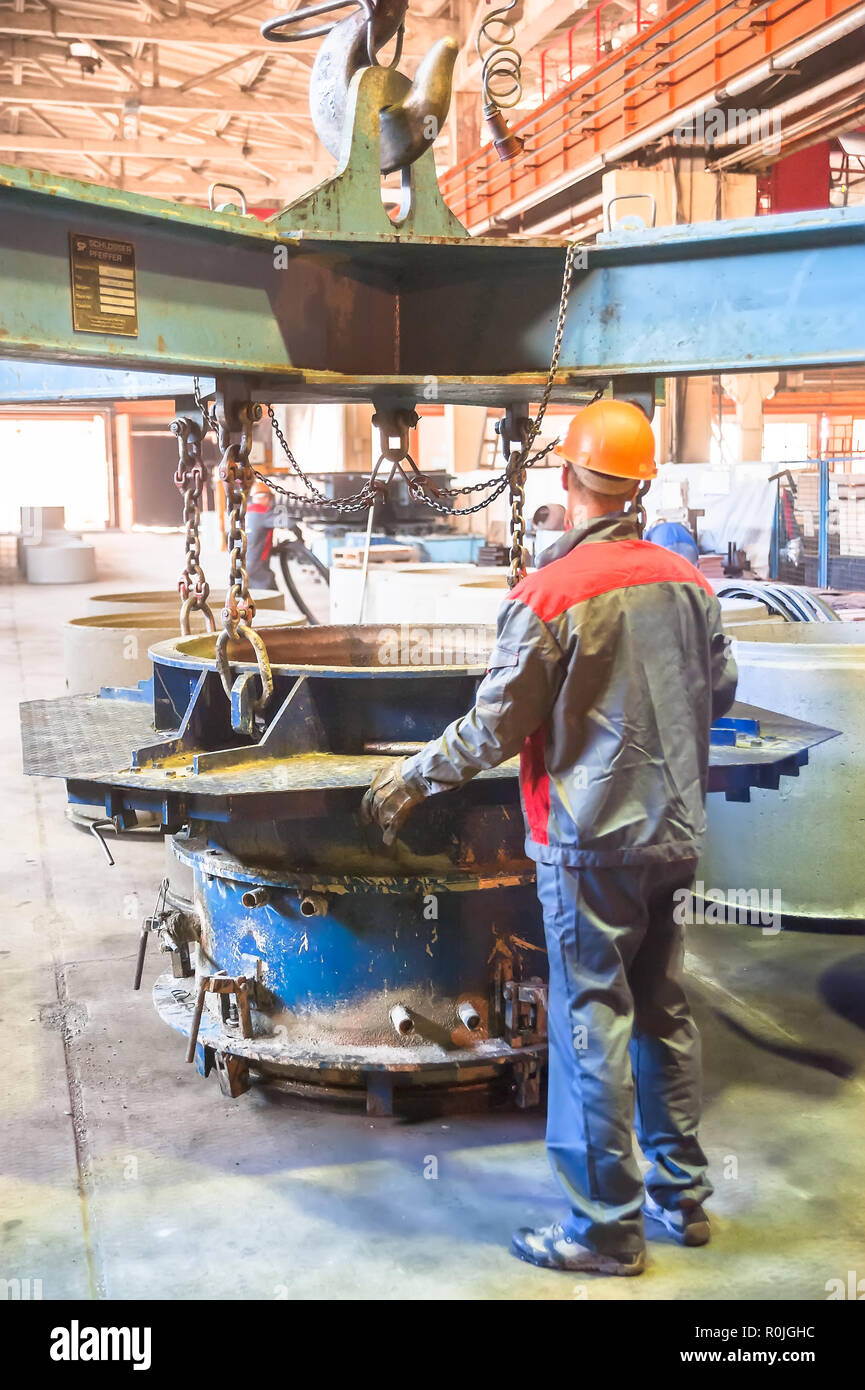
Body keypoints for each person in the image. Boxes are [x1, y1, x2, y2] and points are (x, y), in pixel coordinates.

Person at [361, 398, 738, 1277]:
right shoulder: (687, 582)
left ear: (567, 480)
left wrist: (410, 778)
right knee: (662, 1011)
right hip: (672, 835)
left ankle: (602, 1230)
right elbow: (714, 694)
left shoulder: (548, 594)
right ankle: (680, 1200)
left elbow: (493, 728)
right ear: (638, 487)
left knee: (588, 1024)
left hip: (587, 844)